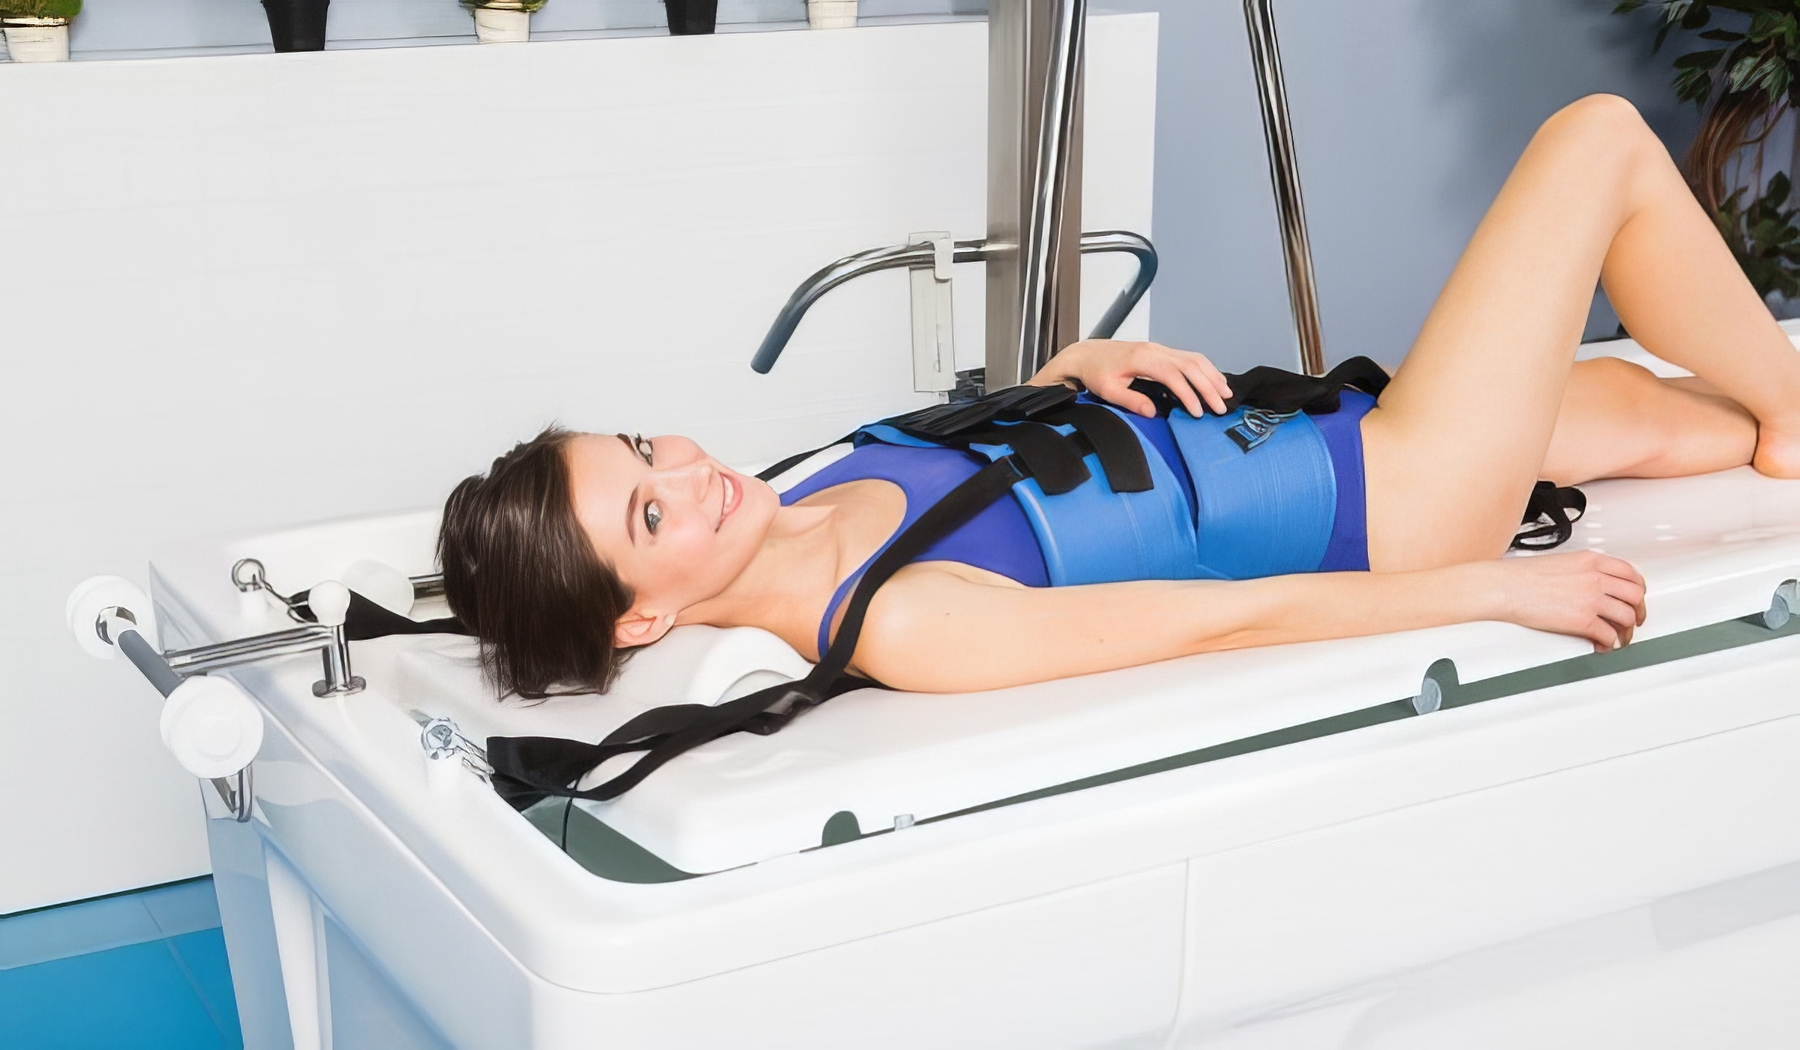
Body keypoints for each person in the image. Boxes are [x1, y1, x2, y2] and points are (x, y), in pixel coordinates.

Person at [440, 95, 1800, 700]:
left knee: (1664, 414)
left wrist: (1065, 374)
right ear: (644, 615)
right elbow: (1223, 621)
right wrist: (1489, 589)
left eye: (645, 450)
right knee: (1596, 143)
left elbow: (997, 470)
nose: (688, 472)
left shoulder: (793, 492)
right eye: (650, 513)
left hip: (1321, 430)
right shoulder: (902, 621)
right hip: (1404, 506)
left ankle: (1776, 426)